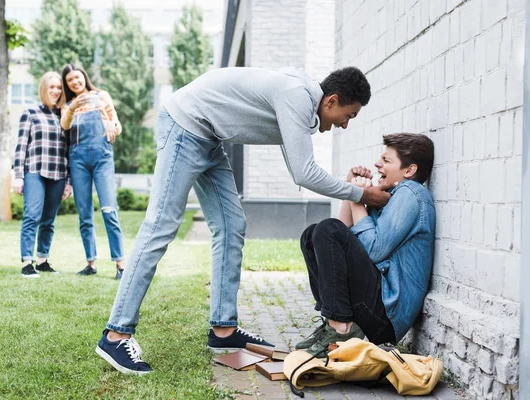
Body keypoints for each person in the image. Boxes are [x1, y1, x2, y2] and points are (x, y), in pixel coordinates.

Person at [96, 66, 393, 375]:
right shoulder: (297, 97)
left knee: (230, 226)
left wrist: (358, 192)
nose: (345, 125)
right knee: (160, 225)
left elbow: (296, 167)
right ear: (331, 101)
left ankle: (223, 330)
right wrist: (363, 195)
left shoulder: (302, 100)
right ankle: (116, 334)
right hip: (186, 126)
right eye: (349, 115)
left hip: (209, 137)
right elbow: (303, 173)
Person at [297, 133, 436, 356]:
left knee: (326, 229)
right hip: (371, 309)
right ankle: (336, 325)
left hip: (384, 319)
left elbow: (373, 249)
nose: (377, 164)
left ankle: (341, 330)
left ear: (409, 171)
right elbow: (336, 244)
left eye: (387, 160)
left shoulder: (412, 194)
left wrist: (358, 197)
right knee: (312, 235)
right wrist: (352, 189)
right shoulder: (389, 194)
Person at [60, 64, 125, 280]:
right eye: (70, 80)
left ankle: (120, 264)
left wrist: (112, 124)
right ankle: (91, 263)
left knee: (109, 209)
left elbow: (117, 123)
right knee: (85, 214)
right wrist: (72, 107)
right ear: (67, 84)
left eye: (77, 77)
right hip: (78, 160)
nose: (75, 82)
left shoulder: (100, 95)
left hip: (102, 157)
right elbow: (65, 125)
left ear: (84, 77)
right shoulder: (68, 105)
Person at [13, 71, 72, 278]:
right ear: (43, 89)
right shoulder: (30, 112)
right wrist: (18, 176)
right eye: (52, 87)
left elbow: (69, 151)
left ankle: (43, 260)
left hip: (58, 172)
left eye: (58, 88)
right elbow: (21, 146)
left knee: (49, 220)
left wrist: (69, 182)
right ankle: (27, 262)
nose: (55, 91)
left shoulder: (65, 117)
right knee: (32, 215)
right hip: (35, 170)